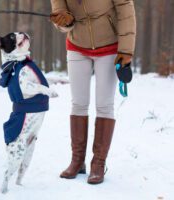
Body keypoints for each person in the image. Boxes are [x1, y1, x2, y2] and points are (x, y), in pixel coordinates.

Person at [50, 0, 136, 184]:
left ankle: (98, 164)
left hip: (110, 46)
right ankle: (77, 161)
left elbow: (126, 12)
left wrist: (126, 51)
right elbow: (59, 12)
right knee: (78, 103)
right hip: (77, 46)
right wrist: (64, 22)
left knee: (104, 105)